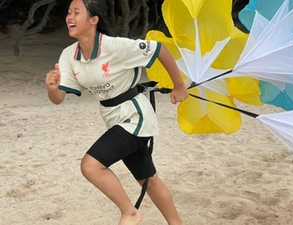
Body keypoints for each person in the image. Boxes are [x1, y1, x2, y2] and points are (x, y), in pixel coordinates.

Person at [45, 0, 188, 224]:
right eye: (68, 12)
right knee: (148, 180)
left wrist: (179, 85)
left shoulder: (114, 46)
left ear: (93, 20)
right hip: (114, 119)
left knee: (91, 166)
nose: (69, 17)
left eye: (76, 12)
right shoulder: (68, 56)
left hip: (136, 117)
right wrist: (52, 88)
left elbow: (159, 48)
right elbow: (58, 99)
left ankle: (130, 212)